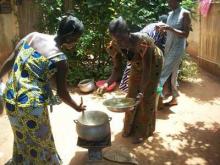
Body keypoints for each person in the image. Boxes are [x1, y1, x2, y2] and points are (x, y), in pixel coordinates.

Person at [0, 14, 86, 164]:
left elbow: (11, 58)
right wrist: (77, 107)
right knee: (42, 142)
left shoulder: (32, 36)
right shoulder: (60, 59)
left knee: (22, 137)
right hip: (32, 105)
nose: (76, 43)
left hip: (10, 97)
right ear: (69, 38)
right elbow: (62, 93)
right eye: (76, 39)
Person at [97, 17, 163, 143]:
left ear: (128, 32)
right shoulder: (115, 45)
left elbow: (147, 72)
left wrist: (142, 92)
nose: (121, 43)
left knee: (146, 97)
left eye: (123, 38)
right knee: (131, 95)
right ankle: (129, 128)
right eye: (116, 39)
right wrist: (106, 84)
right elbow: (116, 70)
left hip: (153, 62)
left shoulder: (143, 42)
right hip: (136, 63)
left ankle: (143, 132)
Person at [119, 15, 168, 93]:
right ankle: (131, 92)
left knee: (133, 69)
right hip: (139, 49)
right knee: (134, 69)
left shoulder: (155, 28)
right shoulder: (156, 29)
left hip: (140, 49)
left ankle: (130, 91)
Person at [157, 0, 191, 106]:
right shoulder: (170, 14)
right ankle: (174, 99)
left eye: (171, 1)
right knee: (173, 74)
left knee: (163, 72)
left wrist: (169, 28)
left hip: (177, 48)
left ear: (178, 1)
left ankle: (157, 97)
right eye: (168, 1)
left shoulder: (185, 13)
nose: (169, 3)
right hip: (168, 46)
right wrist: (163, 30)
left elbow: (185, 34)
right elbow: (169, 31)